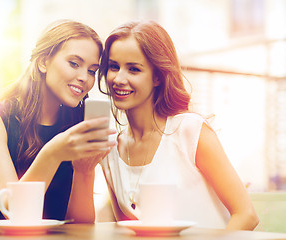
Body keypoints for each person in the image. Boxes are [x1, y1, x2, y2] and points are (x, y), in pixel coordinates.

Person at [98, 20, 259, 230]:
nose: (119, 78)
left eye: (134, 69)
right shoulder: (110, 150)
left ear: (157, 77)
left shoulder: (190, 130)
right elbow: (128, 229)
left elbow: (246, 215)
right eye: (113, 66)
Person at [0, 19, 116, 227]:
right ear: (43, 62)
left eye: (91, 71)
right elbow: (14, 212)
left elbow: (81, 226)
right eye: (74, 64)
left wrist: (84, 171)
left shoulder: (77, 126)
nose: (84, 78)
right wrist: (53, 153)